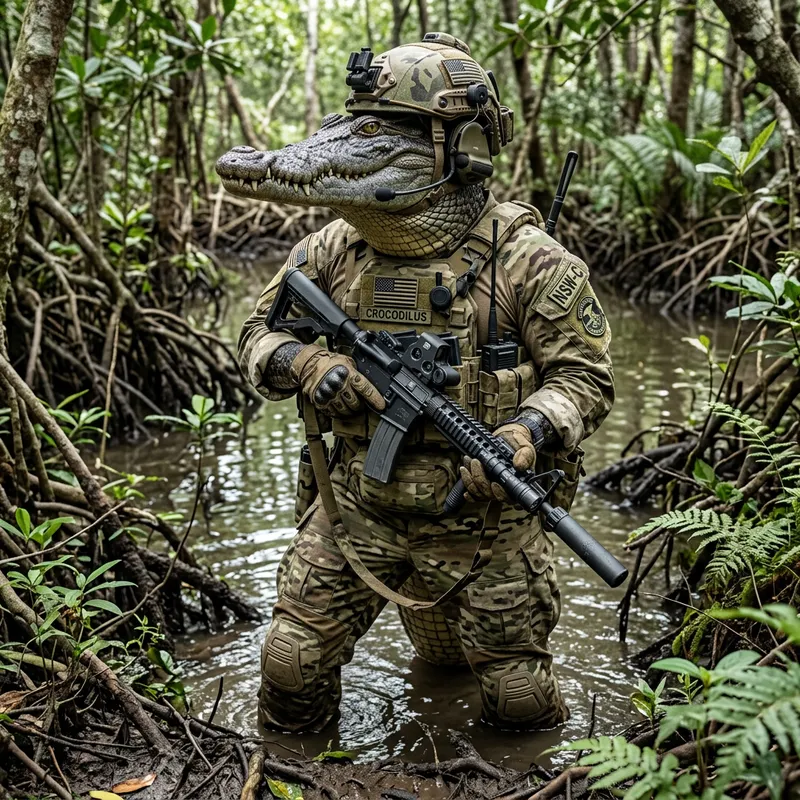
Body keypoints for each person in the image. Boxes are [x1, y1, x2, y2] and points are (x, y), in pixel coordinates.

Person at [228, 31, 615, 733]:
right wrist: (308, 364)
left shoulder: (533, 262)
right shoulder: (327, 249)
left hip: (487, 520)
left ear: (458, 148)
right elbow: (259, 339)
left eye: (376, 132)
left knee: (520, 703)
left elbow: (584, 379)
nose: (345, 143)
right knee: (287, 663)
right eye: (348, 127)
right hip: (358, 508)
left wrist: (524, 432)